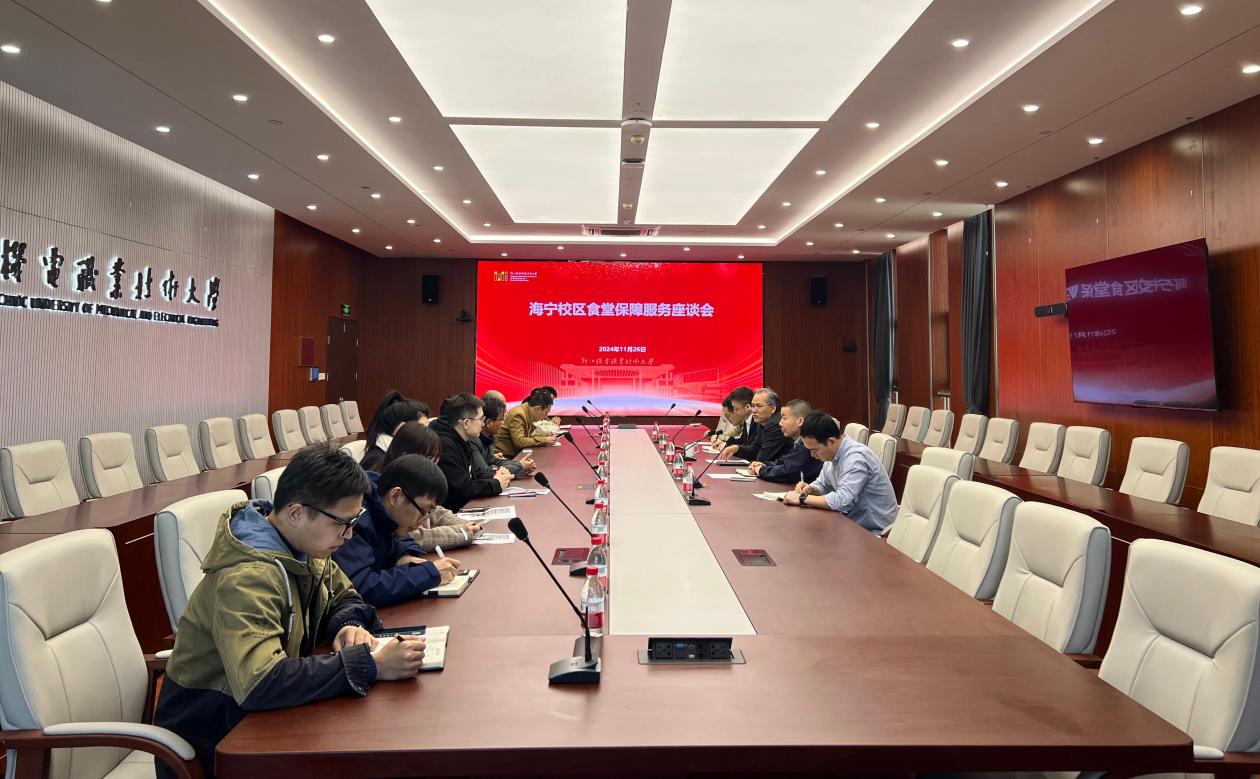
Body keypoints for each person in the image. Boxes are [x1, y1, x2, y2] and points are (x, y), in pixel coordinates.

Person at [154, 445, 426, 779]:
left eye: (355, 522)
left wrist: (348, 625)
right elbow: (261, 682)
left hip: (263, 723)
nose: (349, 535)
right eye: (343, 523)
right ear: (296, 512)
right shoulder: (247, 576)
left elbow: (346, 595)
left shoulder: (305, 547)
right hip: (213, 743)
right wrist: (370, 665)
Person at [334, 453, 462, 607]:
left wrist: (403, 556)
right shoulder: (355, 519)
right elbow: (360, 587)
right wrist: (427, 573)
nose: (423, 522)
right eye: (423, 511)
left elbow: (401, 539)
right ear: (395, 496)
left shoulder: (387, 511)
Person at [376, 421, 486, 552]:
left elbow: (433, 510)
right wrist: (461, 532)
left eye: (435, 461)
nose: (432, 467)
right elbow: (411, 536)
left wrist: (464, 525)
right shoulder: (385, 488)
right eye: (428, 459)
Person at [784, 412, 899, 534]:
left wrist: (802, 498)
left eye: (815, 450)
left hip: (872, 533)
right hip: (849, 525)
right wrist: (812, 489)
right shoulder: (832, 454)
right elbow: (823, 484)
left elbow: (843, 501)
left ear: (831, 441)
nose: (812, 455)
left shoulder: (856, 458)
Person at [430, 392, 512, 511]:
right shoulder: (445, 445)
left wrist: (497, 475)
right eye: (481, 419)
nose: (483, 423)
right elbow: (462, 488)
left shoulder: (462, 438)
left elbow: (473, 476)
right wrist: (496, 484)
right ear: (466, 423)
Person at [749, 399, 823, 485]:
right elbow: (785, 461)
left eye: (784, 418)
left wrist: (761, 470)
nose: (780, 423)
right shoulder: (798, 442)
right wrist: (764, 465)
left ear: (800, 421)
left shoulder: (811, 443)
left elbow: (789, 471)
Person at [720, 387, 792, 464]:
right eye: (753, 406)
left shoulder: (776, 424)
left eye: (759, 406)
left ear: (773, 408)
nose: (753, 410)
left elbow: (762, 458)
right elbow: (755, 448)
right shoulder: (762, 422)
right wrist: (737, 449)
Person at [361, 391, 425, 471]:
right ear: (401, 428)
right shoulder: (375, 460)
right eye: (422, 429)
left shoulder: (400, 455)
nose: (427, 434)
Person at [481, 394, 534, 477]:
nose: (503, 423)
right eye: (501, 419)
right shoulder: (474, 441)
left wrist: (521, 468)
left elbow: (493, 461)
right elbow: (484, 473)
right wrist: (520, 466)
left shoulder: (489, 437)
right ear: (489, 422)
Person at [496, 388, 558, 457]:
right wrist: (545, 440)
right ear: (538, 408)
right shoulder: (518, 414)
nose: (545, 417)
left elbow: (529, 437)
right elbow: (520, 442)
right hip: (504, 457)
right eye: (546, 413)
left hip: (515, 454)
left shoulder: (529, 411)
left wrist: (546, 437)